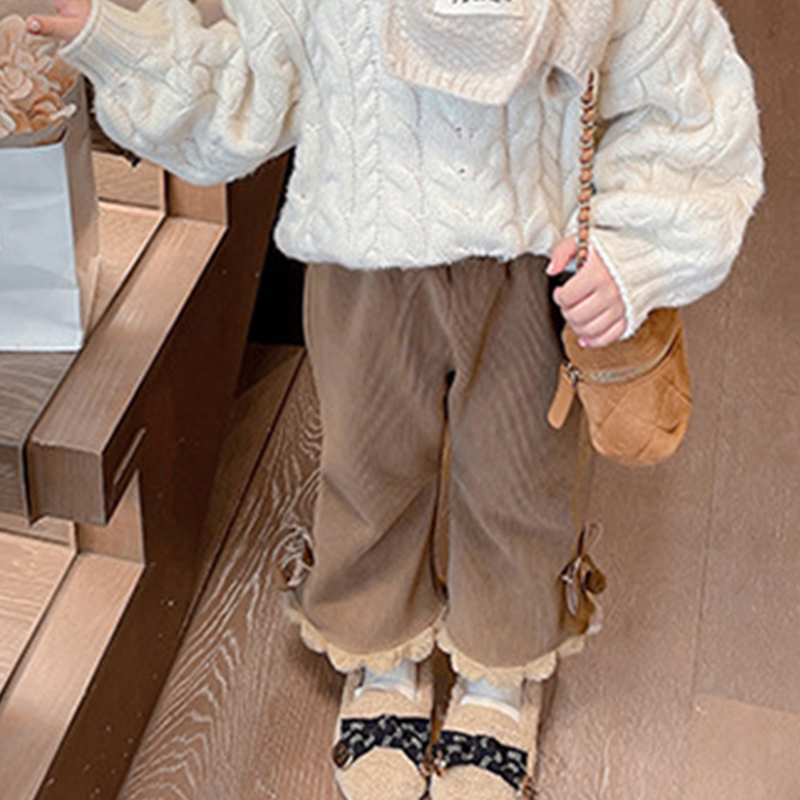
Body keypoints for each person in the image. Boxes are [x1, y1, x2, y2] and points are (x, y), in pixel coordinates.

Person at [28, 0, 763, 797]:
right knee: (367, 466)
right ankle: (382, 656)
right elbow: (252, 79)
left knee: (520, 476)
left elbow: (682, 96)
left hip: (535, 259)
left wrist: (634, 253)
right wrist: (123, 44)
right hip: (362, 248)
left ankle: (501, 672)